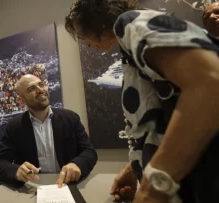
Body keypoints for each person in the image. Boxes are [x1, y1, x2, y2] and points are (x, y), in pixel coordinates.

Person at [65, 0, 219, 202]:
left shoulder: (129, 22)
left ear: (95, 22)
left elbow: (210, 83)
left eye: (82, 34)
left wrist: (154, 186)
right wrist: (135, 165)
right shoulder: (131, 52)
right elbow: (162, 114)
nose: (85, 43)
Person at [0, 74, 98, 187]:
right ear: (22, 100)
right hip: (33, 188)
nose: (40, 90)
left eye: (41, 84)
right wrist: (16, 171)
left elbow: (89, 152)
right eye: (31, 89)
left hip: (69, 185)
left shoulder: (70, 118)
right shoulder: (14, 126)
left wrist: (77, 164)